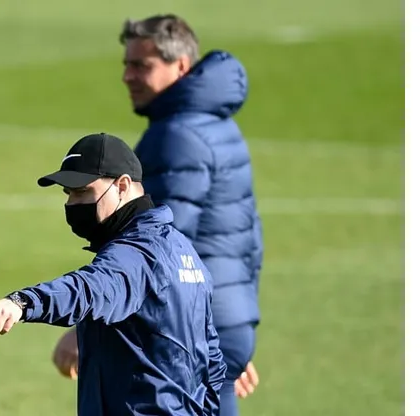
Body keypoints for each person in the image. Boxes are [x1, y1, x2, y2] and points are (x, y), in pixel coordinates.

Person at [51, 14, 264, 416]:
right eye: (126, 64)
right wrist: (232, 330)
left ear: (180, 65)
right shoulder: (219, 127)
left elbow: (158, 244)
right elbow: (247, 238)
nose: (127, 76)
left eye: (141, 65)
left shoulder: (176, 135)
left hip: (183, 324)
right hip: (220, 318)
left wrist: (86, 325)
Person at [0, 133, 227, 416]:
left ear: (122, 185)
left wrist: (23, 302)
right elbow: (211, 360)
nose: (72, 204)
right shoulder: (182, 250)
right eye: (68, 193)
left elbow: (88, 289)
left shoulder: (135, 255)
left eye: (82, 192)